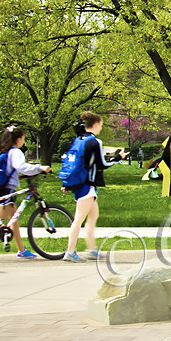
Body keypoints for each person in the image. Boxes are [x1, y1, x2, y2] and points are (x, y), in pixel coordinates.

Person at [0, 126, 52, 260]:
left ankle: (21, 250)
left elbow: (9, 171)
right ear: (18, 139)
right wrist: (39, 168)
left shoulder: (4, 152)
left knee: (14, 218)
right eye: (23, 138)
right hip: (6, 190)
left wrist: (19, 177)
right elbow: (21, 166)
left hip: (1, 187)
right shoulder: (15, 152)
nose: (24, 140)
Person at [62, 111, 125, 262]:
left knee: (93, 215)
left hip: (80, 183)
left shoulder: (79, 140)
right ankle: (70, 252)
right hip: (87, 185)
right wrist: (118, 158)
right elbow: (102, 164)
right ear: (95, 124)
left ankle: (91, 249)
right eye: (101, 125)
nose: (101, 128)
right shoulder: (95, 142)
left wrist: (67, 184)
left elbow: (71, 162)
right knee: (79, 219)